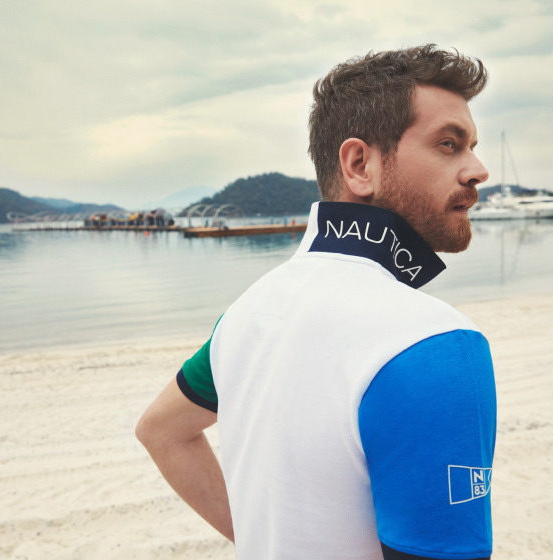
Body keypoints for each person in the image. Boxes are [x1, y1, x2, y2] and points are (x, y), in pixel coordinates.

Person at [136, 44, 497, 560]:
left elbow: (161, 431)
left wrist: (261, 540)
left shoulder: (248, 312)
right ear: (359, 165)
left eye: (472, 147)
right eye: (449, 144)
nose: (478, 170)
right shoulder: (436, 343)